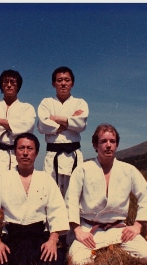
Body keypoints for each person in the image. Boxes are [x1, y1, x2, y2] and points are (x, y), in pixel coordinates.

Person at [0, 132, 70, 265]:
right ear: (15, 152)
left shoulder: (46, 179)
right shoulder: (2, 179)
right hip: (12, 235)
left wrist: (52, 240)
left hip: (38, 236)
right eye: (21, 148)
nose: (25, 153)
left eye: (30, 149)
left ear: (36, 153)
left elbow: (57, 210)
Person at [66, 123, 147, 265]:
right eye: (103, 141)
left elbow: (145, 195)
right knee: (78, 262)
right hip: (89, 230)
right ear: (95, 145)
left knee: (146, 255)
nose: (108, 145)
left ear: (116, 145)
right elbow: (71, 200)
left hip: (118, 229)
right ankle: (106, 253)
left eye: (112, 141)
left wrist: (137, 226)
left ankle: (110, 250)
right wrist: (78, 230)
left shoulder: (128, 170)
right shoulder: (83, 169)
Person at [37, 66, 89, 197]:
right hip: (52, 155)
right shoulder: (46, 102)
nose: (63, 83)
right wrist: (70, 121)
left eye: (67, 80)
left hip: (74, 155)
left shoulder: (80, 103)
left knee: (74, 196)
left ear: (72, 83)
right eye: (59, 80)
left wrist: (55, 118)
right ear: (53, 83)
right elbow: (42, 125)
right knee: (50, 195)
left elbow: (81, 124)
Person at [0, 69, 36, 175]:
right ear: (1, 85)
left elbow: (27, 127)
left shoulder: (27, 108)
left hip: (14, 156)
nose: (9, 85)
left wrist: (1, 122)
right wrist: (14, 126)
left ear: (18, 86)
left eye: (13, 82)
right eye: (5, 82)